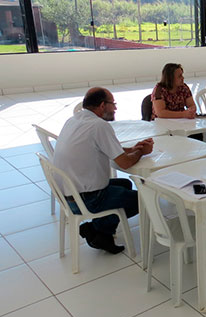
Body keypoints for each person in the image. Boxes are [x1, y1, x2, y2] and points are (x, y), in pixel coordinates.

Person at [53, 87, 154, 254]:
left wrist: (133, 149)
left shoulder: (74, 120)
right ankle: (98, 230)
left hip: (68, 194)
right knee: (144, 200)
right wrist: (142, 152)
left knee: (125, 184)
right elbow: (124, 163)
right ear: (102, 105)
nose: (115, 108)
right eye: (113, 104)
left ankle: (101, 231)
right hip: (87, 199)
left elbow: (105, 147)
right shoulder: (99, 126)